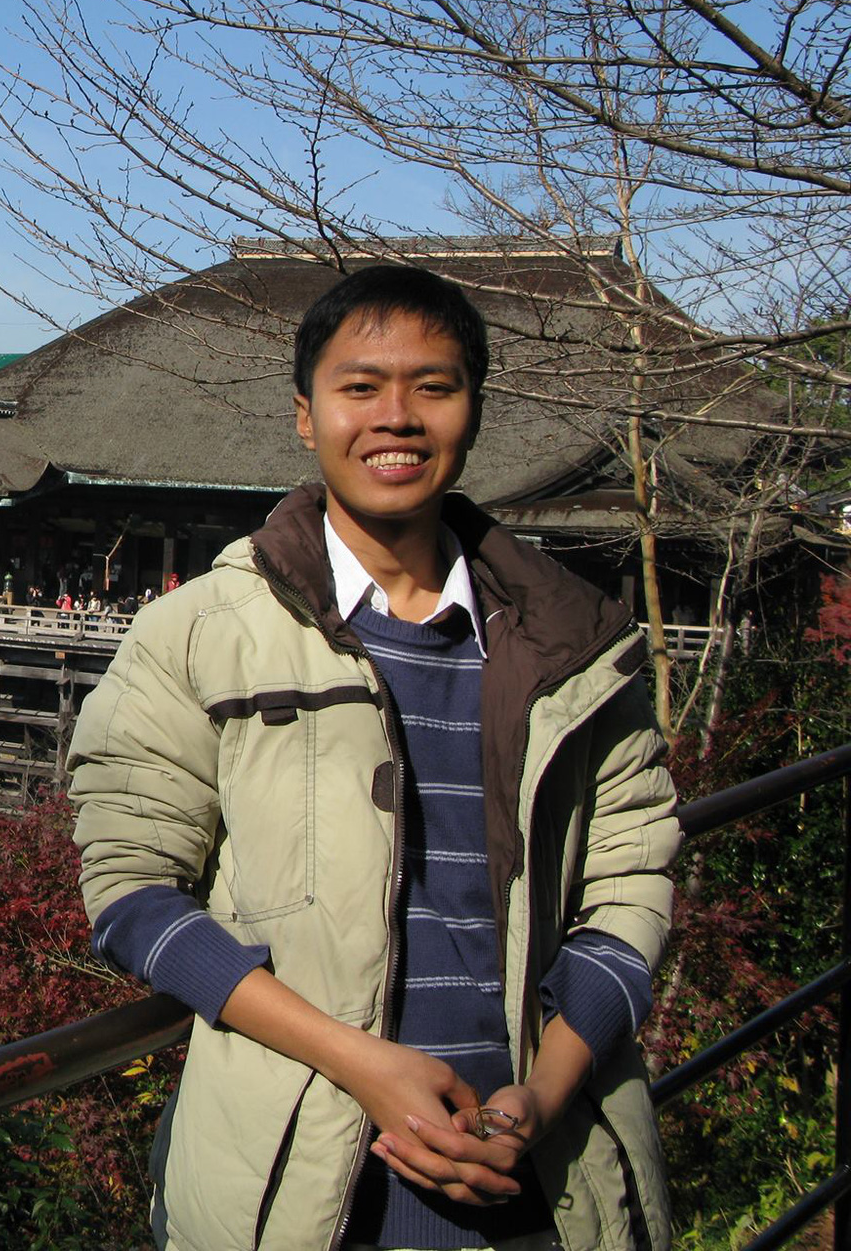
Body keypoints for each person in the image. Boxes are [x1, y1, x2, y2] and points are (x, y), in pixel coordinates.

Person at [69, 267, 677, 1251]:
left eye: (431, 387)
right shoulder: (196, 635)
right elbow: (132, 896)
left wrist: (541, 1095)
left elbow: (630, 883)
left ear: (473, 413)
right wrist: (360, 1064)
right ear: (304, 416)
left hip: (549, 1179)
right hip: (301, 1184)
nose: (394, 417)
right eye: (358, 388)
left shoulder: (577, 647)